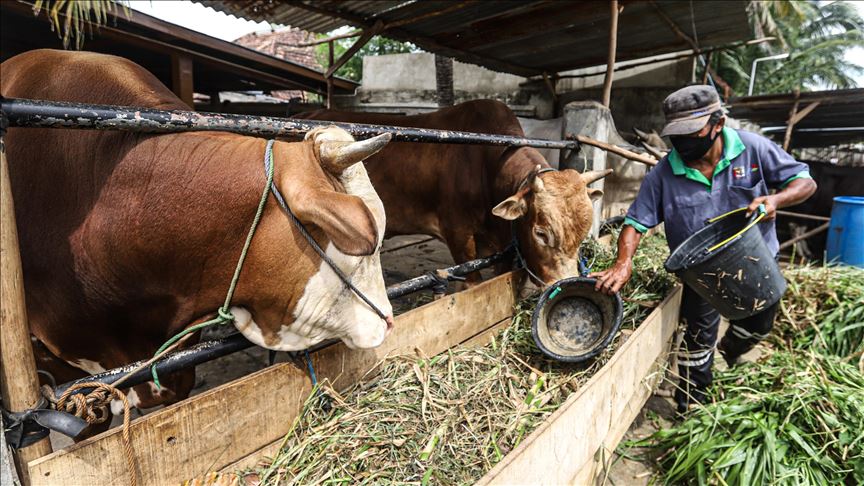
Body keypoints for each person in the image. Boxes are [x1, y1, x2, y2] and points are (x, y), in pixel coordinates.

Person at [589, 85, 817, 413]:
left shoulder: (753, 149)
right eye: (676, 136)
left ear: (718, 124)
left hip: (756, 259)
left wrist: (776, 199)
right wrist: (623, 262)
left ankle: (733, 346)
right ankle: (692, 407)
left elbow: (805, 182)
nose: (682, 143)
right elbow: (636, 222)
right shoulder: (665, 172)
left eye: (691, 134)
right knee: (698, 339)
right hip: (701, 270)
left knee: (759, 322)